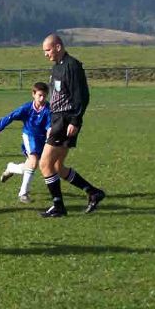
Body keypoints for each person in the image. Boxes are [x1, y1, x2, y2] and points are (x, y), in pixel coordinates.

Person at [39, 34, 106, 217]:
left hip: (66, 120)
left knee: (45, 163)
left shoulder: (72, 66)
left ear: (58, 47)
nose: (46, 54)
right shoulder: (56, 68)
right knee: (58, 166)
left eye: (48, 50)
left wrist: (75, 121)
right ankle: (93, 192)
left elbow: (82, 96)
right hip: (57, 120)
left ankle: (58, 206)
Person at [0, 82, 51, 204]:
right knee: (33, 162)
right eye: (39, 95)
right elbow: (11, 116)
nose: (42, 98)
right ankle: (23, 193)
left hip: (42, 140)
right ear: (33, 94)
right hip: (29, 136)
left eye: (44, 96)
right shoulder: (27, 108)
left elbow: (50, 126)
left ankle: (11, 168)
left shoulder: (48, 109)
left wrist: (50, 138)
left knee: (30, 166)